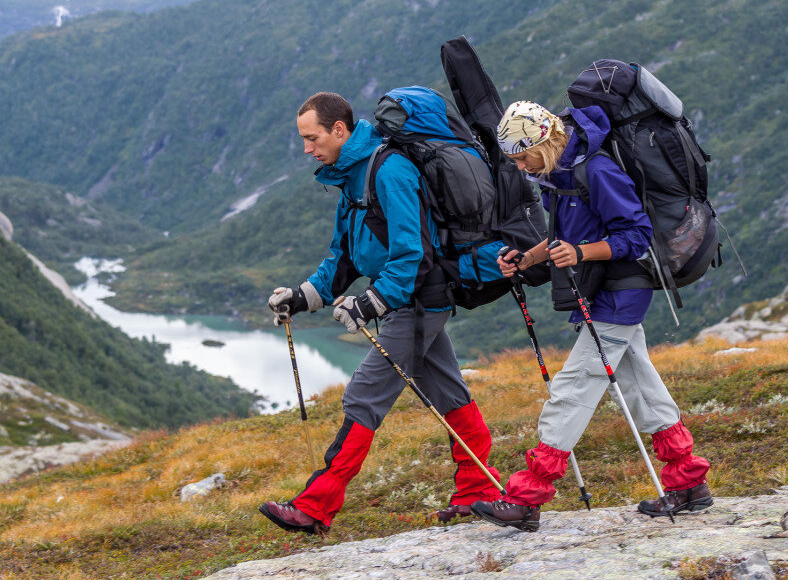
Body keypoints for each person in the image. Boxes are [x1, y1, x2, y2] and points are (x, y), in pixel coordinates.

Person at [259, 92, 502, 535]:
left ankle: (315, 506)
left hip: (416, 301)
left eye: (312, 138)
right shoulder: (350, 178)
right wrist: (300, 297)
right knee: (449, 393)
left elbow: (411, 253)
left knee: (363, 397)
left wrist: (372, 302)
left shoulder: (389, 170)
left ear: (339, 129)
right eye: (303, 140)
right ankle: (477, 492)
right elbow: (343, 258)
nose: (307, 149)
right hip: (405, 303)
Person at [470, 101, 712, 532]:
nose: (521, 167)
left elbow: (635, 236)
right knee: (641, 387)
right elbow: (560, 236)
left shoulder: (596, 171)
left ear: (544, 143)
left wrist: (581, 252)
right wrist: (525, 259)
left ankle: (527, 497)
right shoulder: (558, 176)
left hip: (620, 293)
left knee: (574, 387)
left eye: (523, 157)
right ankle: (689, 482)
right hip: (600, 291)